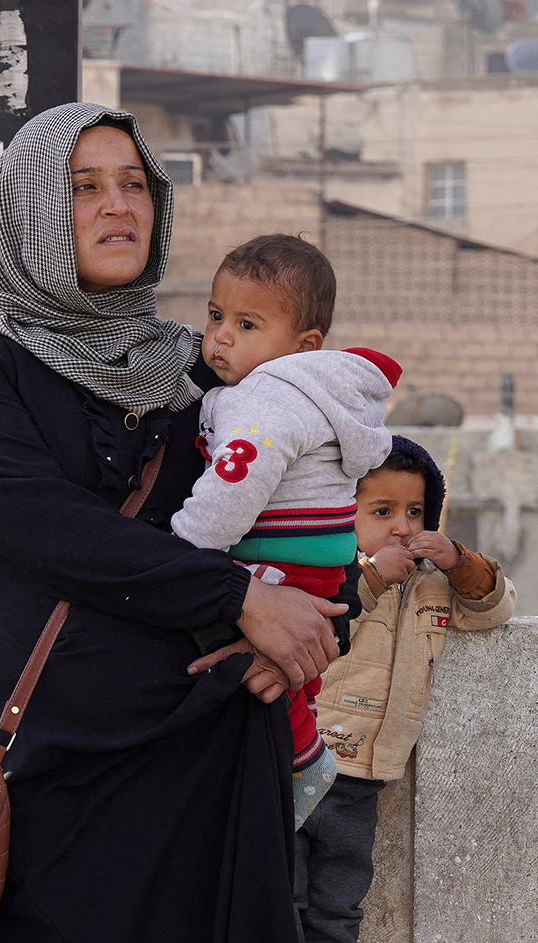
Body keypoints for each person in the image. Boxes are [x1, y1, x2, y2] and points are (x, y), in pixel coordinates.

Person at [0, 102, 339, 943]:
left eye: (134, 184)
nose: (119, 206)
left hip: (214, 759)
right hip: (65, 775)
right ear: (29, 212)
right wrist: (238, 599)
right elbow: (46, 527)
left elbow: (322, 499)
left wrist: (318, 627)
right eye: (84, 187)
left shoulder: (206, 370)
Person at [169, 233, 403, 824]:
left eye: (247, 325)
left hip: (277, 557)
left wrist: (181, 550)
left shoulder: (268, 399)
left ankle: (304, 761)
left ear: (304, 345)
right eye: (216, 315)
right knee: (293, 676)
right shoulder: (316, 394)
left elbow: (235, 485)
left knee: (243, 662)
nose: (221, 337)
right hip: (317, 562)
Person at [300, 438, 514, 943]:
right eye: (382, 511)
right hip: (302, 759)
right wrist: (370, 576)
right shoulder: (326, 570)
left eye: (415, 513)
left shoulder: (428, 584)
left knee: (338, 899)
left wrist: (457, 560)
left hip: (362, 775)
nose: (402, 527)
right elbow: (324, 614)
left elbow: (493, 608)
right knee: (280, 892)